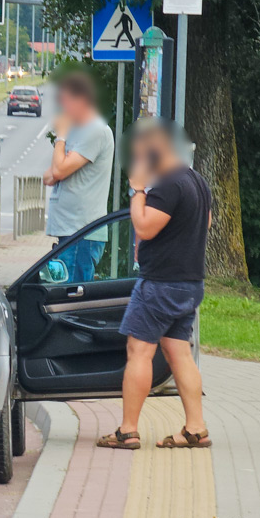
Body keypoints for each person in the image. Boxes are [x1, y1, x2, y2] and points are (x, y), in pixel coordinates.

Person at [97, 119, 212, 450]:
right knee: (179, 352)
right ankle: (196, 428)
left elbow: (145, 228)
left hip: (160, 284)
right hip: (190, 283)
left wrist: (137, 192)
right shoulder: (196, 182)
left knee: (138, 351)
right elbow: (204, 223)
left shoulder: (167, 185)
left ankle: (128, 430)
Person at [44, 71, 115, 283]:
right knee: (62, 295)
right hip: (70, 231)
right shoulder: (76, 132)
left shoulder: (95, 131)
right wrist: (62, 159)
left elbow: (58, 171)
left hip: (82, 232)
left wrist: (61, 137)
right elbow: (49, 176)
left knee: (71, 298)